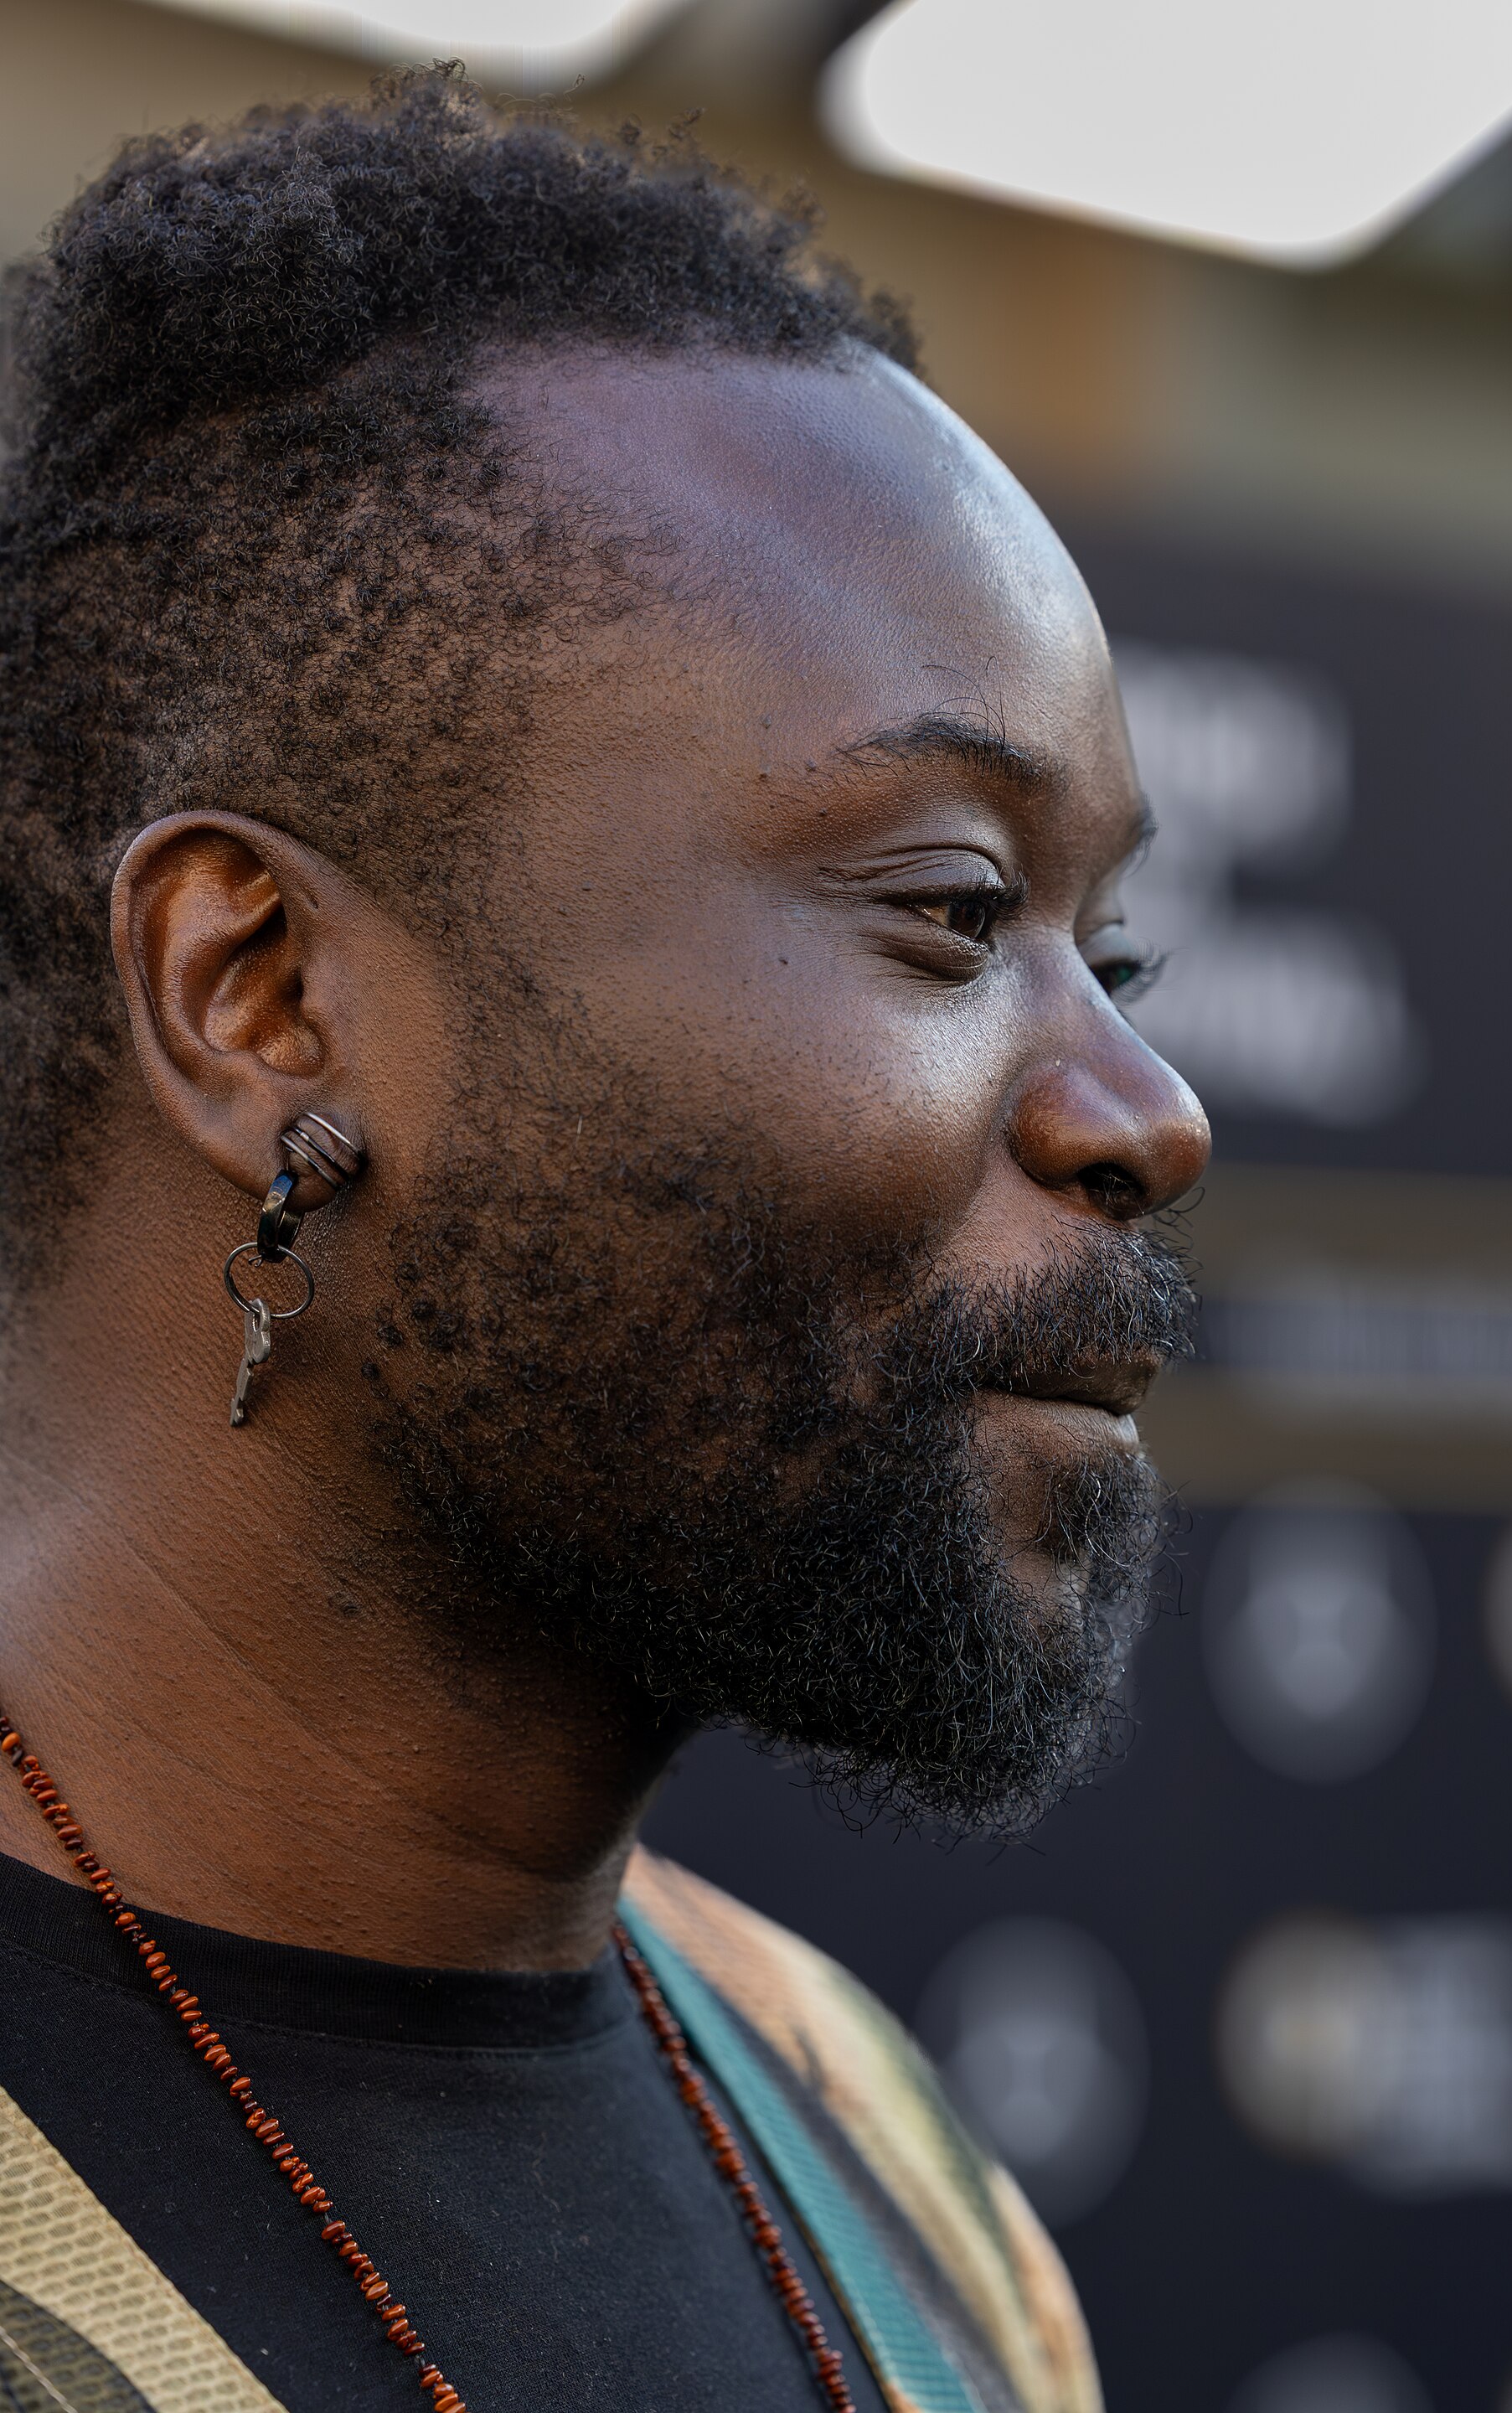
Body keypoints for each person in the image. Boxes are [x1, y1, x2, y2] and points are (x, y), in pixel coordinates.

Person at [0, 68, 1210, 2413]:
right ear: (258, 993)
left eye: (1115, 960)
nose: (1145, 1110)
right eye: (957, 913)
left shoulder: (877, 2150)